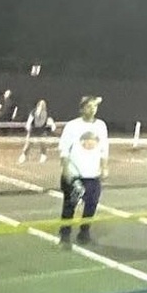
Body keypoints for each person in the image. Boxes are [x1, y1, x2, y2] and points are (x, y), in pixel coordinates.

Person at [58, 96, 109, 247]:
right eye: (89, 106)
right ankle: (64, 236)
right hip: (75, 175)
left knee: (91, 205)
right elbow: (63, 149)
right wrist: (66, 169)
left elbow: (104, 149)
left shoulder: (101, 126)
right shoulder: (72, 126)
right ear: (82, 109)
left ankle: (84, 233)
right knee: (70, 206)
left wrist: (104, 167)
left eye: (94, 106)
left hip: (93, 175)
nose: (92, 109)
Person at [19, 99, 56, 163]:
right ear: (37, 105)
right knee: (28, 144)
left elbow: (50, 120)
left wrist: (53, 125)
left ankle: (43, 156)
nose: (41, 107)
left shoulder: (46, 113)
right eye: (40, 105)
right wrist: (28, 126)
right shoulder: (33, 112)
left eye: (42, 105)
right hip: (33, 131)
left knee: (43, 144)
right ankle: (23, 155)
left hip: (42, 131)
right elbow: (29, 120)